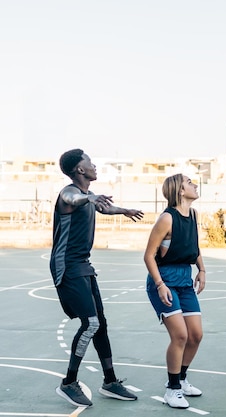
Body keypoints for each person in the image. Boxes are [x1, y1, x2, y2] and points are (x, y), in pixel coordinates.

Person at [50, 148, 143, 408]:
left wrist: (124, 210)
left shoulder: (89, 196)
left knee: (100, 322)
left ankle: (110, 381)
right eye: (90, 163)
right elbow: (75, 198)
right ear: (80, 169)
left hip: (83, 266)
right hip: (67, 266)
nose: (94, 166)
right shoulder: (69, 194)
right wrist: (89, 200)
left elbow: (104, 207)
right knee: (90, 323)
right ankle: (69, 382)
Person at [144, 174, 206, 409]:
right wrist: (160, 285)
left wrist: (202, 270)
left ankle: (181, 379)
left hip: (184, 280)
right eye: (190, 182)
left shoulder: (193, 215)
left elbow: (194, 245)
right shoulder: (166, 219)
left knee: (196, 335)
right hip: (164, 281)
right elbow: (149, 255)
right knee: (180, 335)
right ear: (180, 191)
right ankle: (172, 390)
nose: (194, 184)